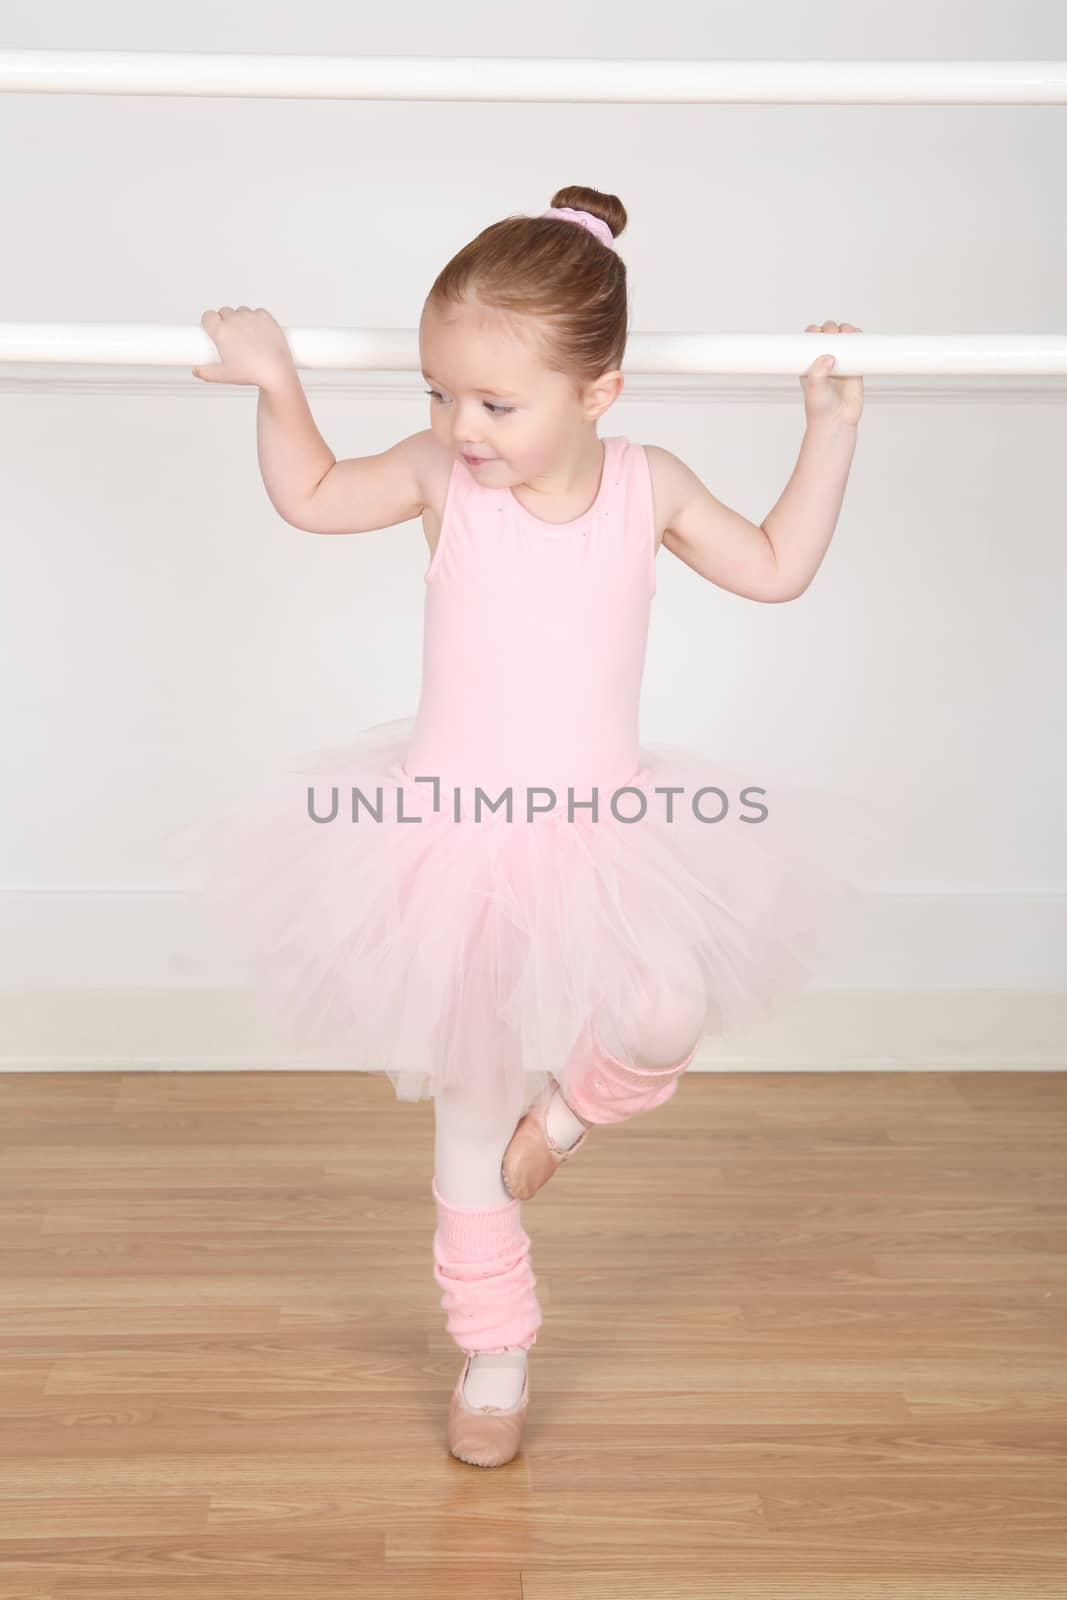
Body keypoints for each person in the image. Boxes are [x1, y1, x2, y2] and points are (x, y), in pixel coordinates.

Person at [181, 185, 877, 1467]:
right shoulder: (447, 479)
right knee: (463, 1103)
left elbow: (776, 564)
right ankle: (493, 1352)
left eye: (495, 403)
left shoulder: (646, 486)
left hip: (601, 839)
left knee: (665, 1007)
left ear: (597, 393)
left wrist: (826, 434)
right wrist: (278, 385)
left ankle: (564, 1123)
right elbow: (318, 494)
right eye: (441, 393)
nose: (461, 425)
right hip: (443, 843)